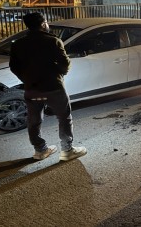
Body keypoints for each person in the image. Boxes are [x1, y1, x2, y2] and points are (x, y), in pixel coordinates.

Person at [9, 12, 87, 161]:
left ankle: (40, 150)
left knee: (34, 119)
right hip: (53, 87)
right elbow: (65, 65)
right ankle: (67, 150)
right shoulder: (53, 41)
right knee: (64, 118)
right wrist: (59, 73)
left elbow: (13, 67)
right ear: (43, 23)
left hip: (32, 88)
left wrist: (26, 78)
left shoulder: (18, 44)